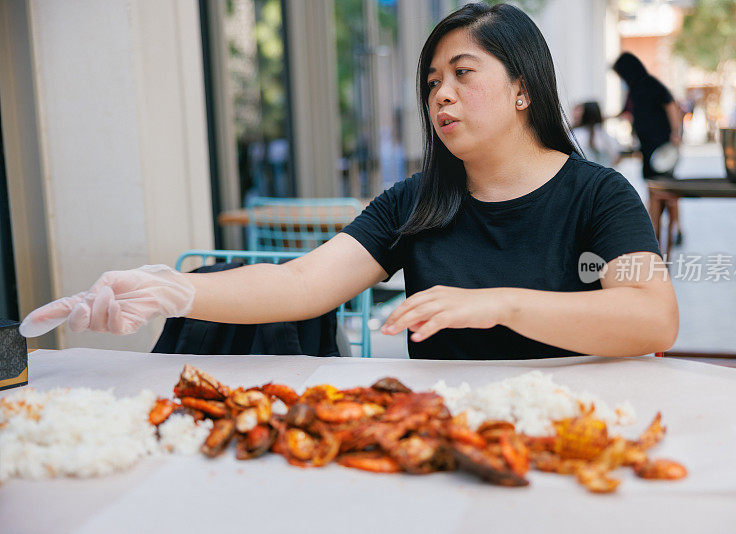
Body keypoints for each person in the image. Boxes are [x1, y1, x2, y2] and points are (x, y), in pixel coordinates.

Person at [20, 2, 678, 360]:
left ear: (523, 90)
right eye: (430, 83)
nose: (440, 96)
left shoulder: (598, 194)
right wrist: (171, 290)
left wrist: (500, 304)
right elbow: (301, 284)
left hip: (573, 437)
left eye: (462, 73)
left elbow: (652, 320)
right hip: (442, 443)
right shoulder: (416, 202)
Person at [612, 52, 684, 246]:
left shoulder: (651, 84)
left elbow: (671, 105)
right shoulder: (633, 91)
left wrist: (676, 133)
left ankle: (670, 230)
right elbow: (627, 114)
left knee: (666, 190)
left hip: (662, 147)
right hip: (647, 147)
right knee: (656, 190)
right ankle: (659, 231)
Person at [570, 101, 622, 168]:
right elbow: (616, 159)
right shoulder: (605, 135)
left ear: (584, 114)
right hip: (604, 175)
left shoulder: (576, 134)